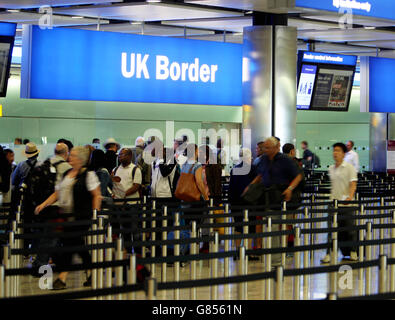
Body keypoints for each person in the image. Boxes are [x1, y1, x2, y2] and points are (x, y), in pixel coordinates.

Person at [35, 146, 101, 289]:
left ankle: (62, 278)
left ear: (81, 159)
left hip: (82, 216)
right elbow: (57, 193)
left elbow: (96, 195)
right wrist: (44, 204)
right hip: (66, 216)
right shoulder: (66, 173)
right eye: (70, 155)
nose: (70, 157)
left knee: (71, 245)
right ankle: (91, 274)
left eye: (73, 155)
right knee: (78, 246)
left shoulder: (89, 175)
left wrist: (95, 212)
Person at [244, 137, 303, 267]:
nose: (265, 150)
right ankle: (271, 256)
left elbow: (298, 176)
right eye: (264, 147)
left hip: (279, 198)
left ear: (276, 147)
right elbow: (260, 175)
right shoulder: (264, 159)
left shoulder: (285, 160)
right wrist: (251, 186)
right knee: (267, 227)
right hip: (265, 197)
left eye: (268, 147)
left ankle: (276, 260)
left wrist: (289, 189)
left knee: (274, 227)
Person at [31, 143, 72, 273]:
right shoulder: (67, 167)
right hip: (58, 207)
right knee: (52, 237)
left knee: (49, 236)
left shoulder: (43, 163)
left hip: (43, 204)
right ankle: (40, 264)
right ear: (66, 153)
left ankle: (51, 262)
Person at [321, 142, 358, 263]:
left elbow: (353, 184)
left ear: (343, 153)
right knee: (331, 230)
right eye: (334, 150)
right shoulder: (331, 168)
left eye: (338, 151)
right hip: (333, 203)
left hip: (346, 204)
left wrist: (350, 197)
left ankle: (353, 252)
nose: (335, 153)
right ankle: (328, 254)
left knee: (350, 229)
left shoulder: (349, 167)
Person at [229, 148, 259, 257]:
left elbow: (231, 188)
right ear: (248, 157)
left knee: (238, 226)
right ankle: (248, 252)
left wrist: (231, 201)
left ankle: (238, 251)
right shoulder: (254, 169)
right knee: (250, 226)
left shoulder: (235, 169)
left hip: (236, 202)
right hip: (250, 202)